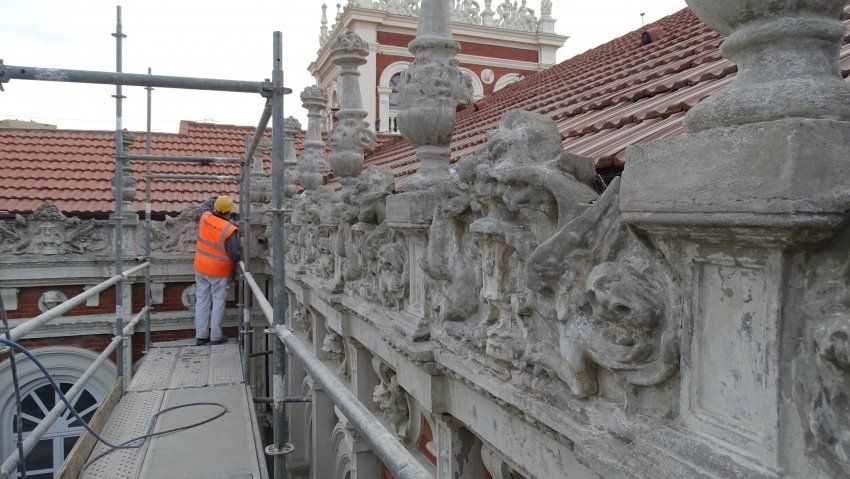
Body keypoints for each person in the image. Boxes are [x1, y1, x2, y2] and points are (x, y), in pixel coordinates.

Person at [193, 195, 241, 346]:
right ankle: (215, 337)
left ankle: (201, 337)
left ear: (215, 209)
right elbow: (235, 253)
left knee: (201, 300)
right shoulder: (229, 229)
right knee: (218, 301)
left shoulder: (205, 217)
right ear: (229, 213)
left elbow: (206, 204)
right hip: (218, 272)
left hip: (201, 267)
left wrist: (218, 198)